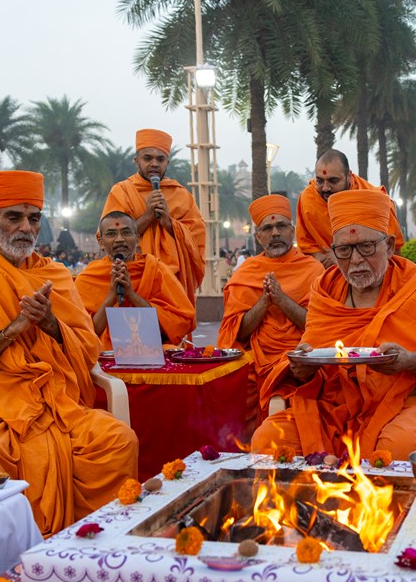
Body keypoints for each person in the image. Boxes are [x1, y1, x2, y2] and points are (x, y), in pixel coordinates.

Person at [0, 171, 138, 537]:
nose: (26, 227)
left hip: (60, 403)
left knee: (117, 441)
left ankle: (96, 546)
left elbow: (88, 351)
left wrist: (50, 323)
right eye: (14, 217)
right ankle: (6, 556)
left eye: (34, 218)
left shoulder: (55, 275)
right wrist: (12, 332)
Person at [252, 189, 416, 460]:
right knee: (267, 441)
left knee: (396, 449)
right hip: (331, 408)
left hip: (404, 406)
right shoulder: (326, 289)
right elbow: (315, 363)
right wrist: (303, 370)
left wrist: (407, 361)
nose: (356, 260)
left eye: (366, 247)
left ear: (390, 244)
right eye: (344, 250)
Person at [218, 194, 325, 413]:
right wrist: (264, 302)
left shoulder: (313, 270)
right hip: (256, 363)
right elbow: (239, 334)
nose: (275, 233)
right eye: (267, 228)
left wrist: (282, 300)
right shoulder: (246, 273)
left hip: (301, 359)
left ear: (292, 230)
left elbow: (318, 325)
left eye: (281, 226)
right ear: (258, 237)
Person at [102, 129, 206, 300]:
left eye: (160, 159)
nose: (154, 164)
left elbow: (196, 243)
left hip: (170, 281)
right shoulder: (121, 192)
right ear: (136, 161)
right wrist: (149, 215)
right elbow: (109, 237)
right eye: (147, 158)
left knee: (169, 324)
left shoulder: (181, 196)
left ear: (167, 162)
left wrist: (170, 224)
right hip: (132, 277)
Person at [74, 211, 196, 350]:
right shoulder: (88, 278)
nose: (119, 239)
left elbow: (180, 324)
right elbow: (83, 336)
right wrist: (111, 298)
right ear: (101, 243)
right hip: (103, 358)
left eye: (126, 232)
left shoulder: (156, 270)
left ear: (137, 239)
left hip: (152, 353)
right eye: (111, 234)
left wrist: (132, 295)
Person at [294, 149, 403, 268]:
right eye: (319, 181)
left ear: (349, 176)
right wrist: (318, 256)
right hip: (325, 272)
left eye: (333, 181)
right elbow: (305, 244)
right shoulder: (308, 199)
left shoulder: (374, 199)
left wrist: (342, 257)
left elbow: (393, 251)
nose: (325, 188)